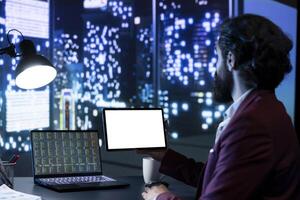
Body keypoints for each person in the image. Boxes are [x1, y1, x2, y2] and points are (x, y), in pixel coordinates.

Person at [139, 14, 300, 200]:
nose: (215, 68)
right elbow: (219, 177)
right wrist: (163, 155)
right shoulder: (267, 109)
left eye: (217, 57)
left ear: (231, 59)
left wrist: (161, 197)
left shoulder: (251, 124)